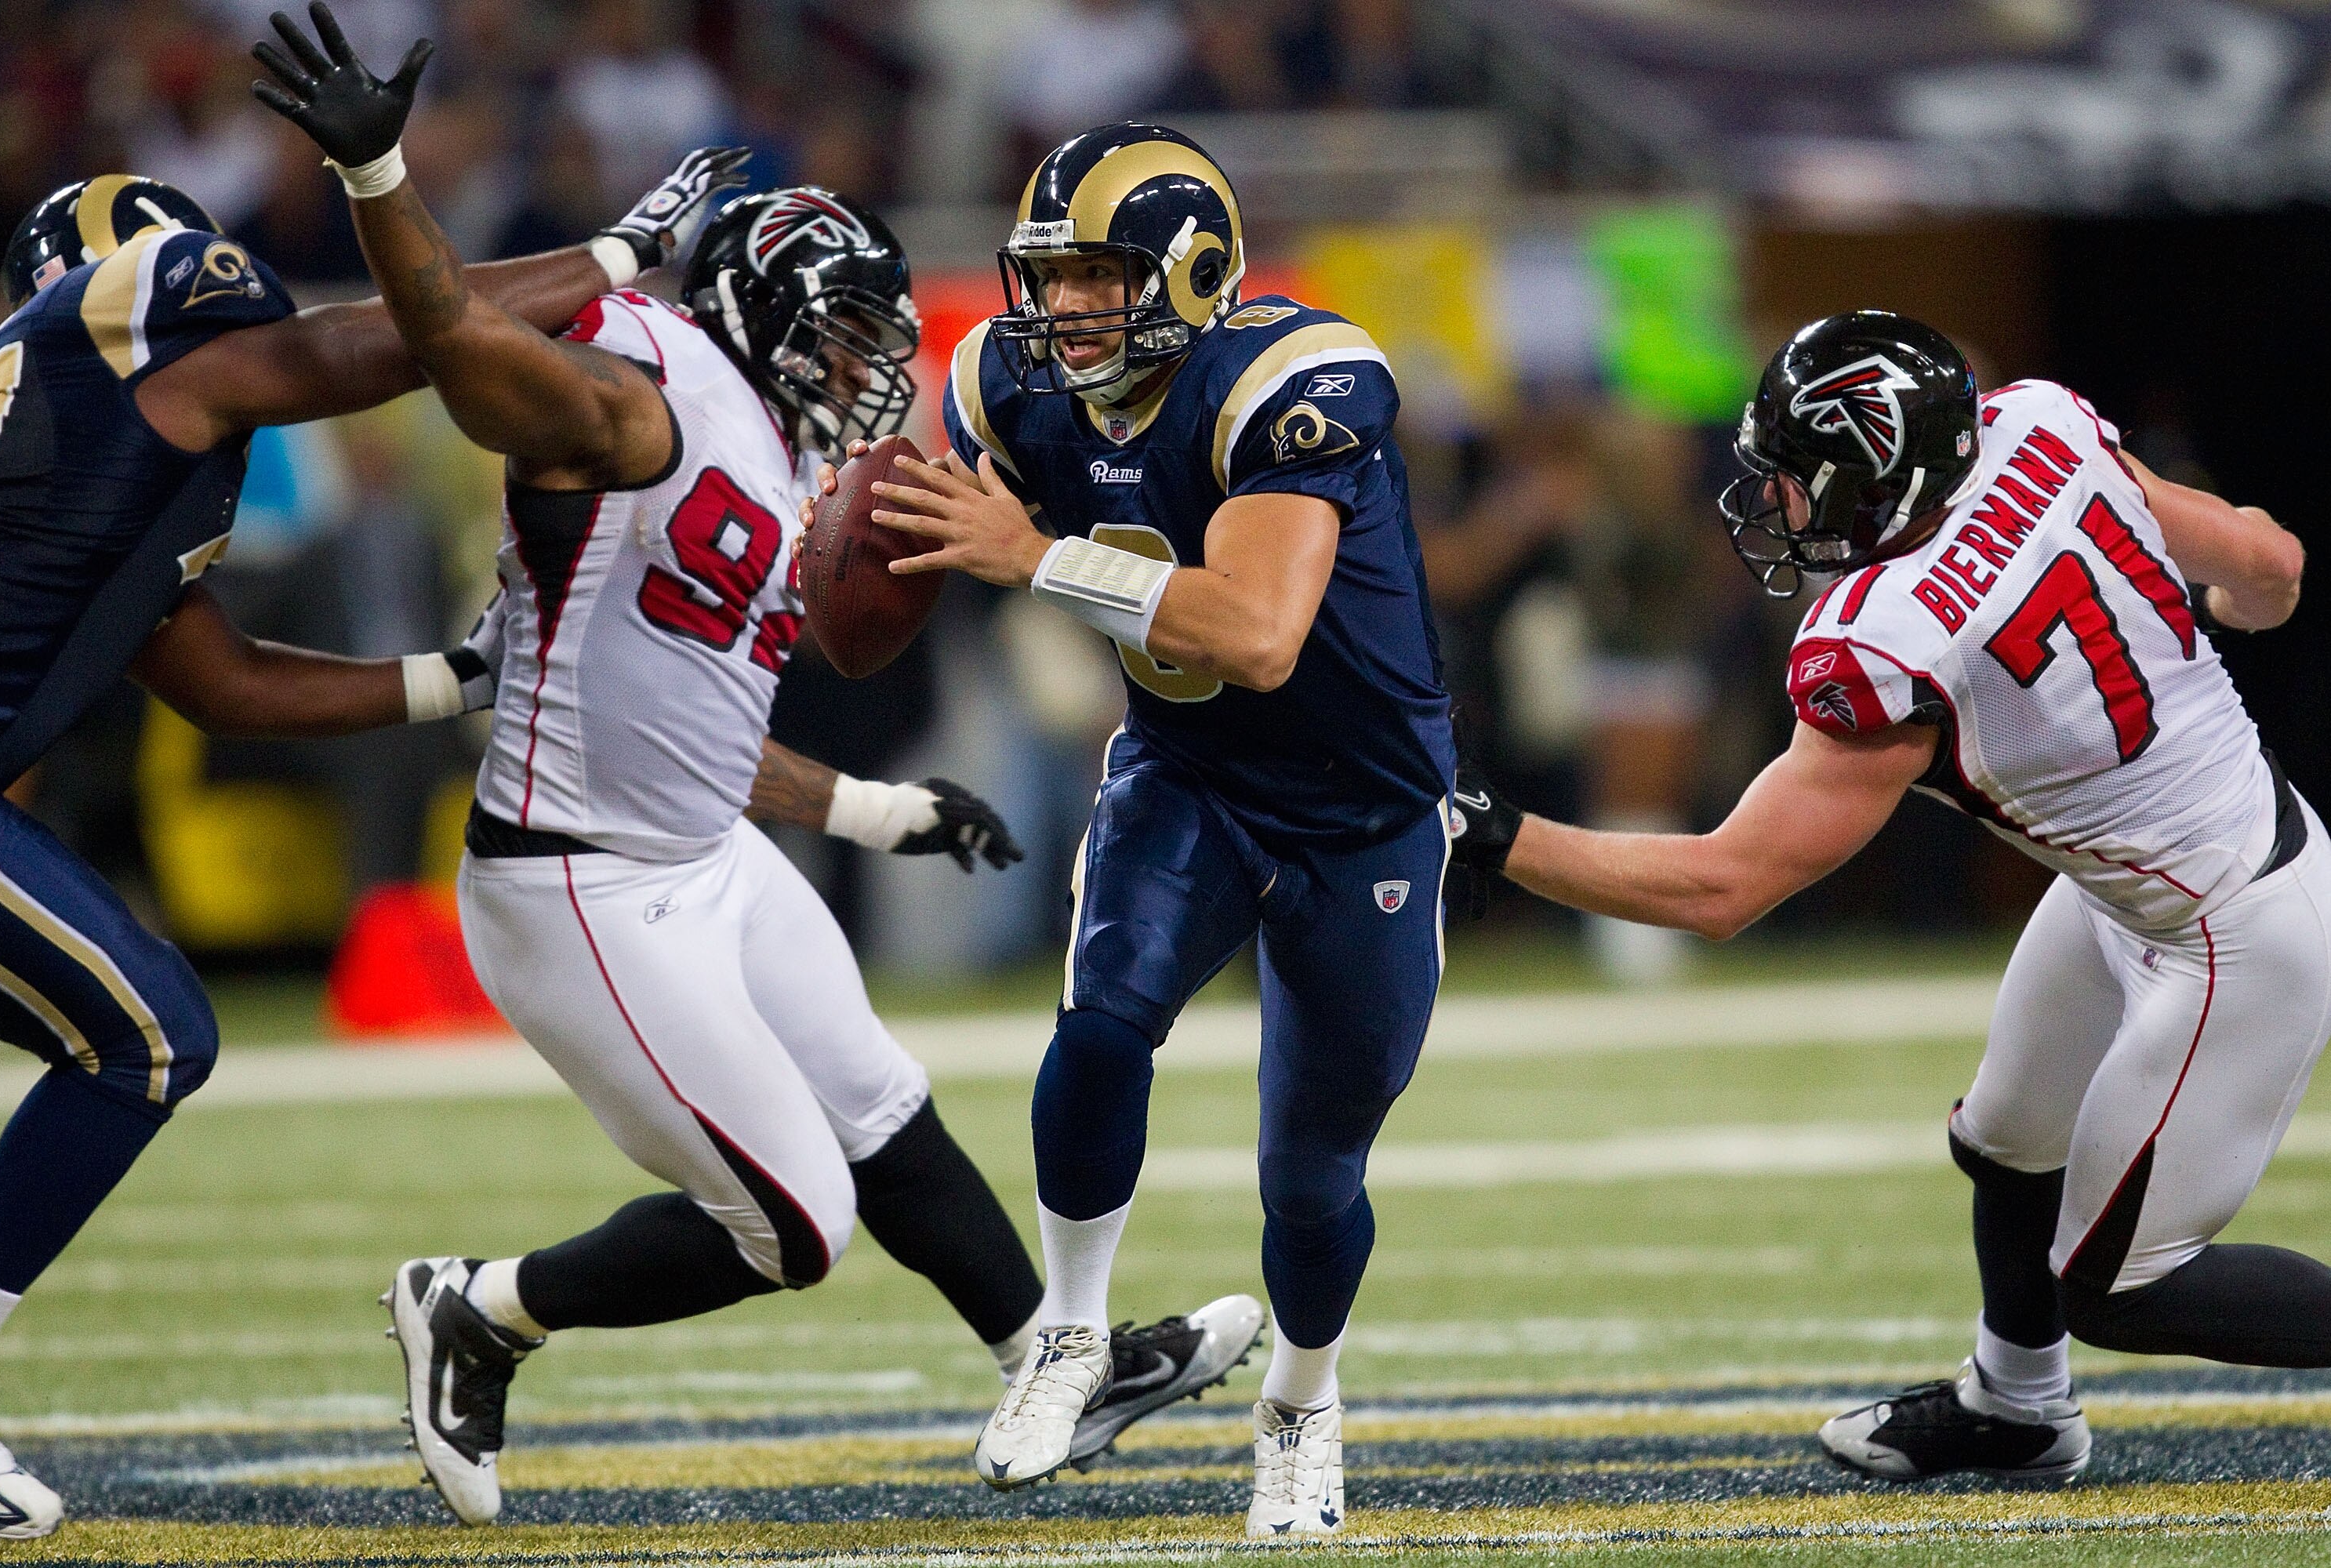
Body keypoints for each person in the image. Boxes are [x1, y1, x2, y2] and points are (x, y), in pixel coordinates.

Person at [246, 12, 1261, 1529]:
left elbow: (700, 725)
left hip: (698, 856)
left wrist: (866, 807)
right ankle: (479, 1306)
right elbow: (451, 340)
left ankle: (1065, 1360)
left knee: (885, 1110)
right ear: (759, 312)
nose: (865, 365)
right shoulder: (640, 401)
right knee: (794, 1220)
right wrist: (382, 173)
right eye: (844, 331)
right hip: (576, 884)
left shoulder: (774, 450)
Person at [0, 87, 750, 1534]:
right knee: (144, 1038)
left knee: (132, 1036)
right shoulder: (146, 307)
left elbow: (222, 682)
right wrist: (617, 261)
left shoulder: (97, 457)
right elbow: (388, 339)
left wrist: (458, 679)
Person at [1454, 311, 2319, 1483]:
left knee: (2119, 1284)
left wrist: (1485, 834)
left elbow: (1723, 886)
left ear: (1881, 476)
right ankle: (2017, 1408)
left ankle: (2035, 1385)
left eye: (1797, 480)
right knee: (2008, 1144)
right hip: (2149, 874)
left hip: (2230, 927)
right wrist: (2242, 611)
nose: (1778, 505)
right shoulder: (2040, 426)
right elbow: (2265, 563)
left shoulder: (1892, 638)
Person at [810, 121, 1455, 1537]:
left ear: (1196, 266)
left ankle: (1300, 1399)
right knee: (1101, 1026)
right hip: (1188, 771)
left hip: (1365, 811)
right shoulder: (1006, 385)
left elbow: (1266, 637)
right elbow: (923, 528)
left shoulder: (1291, 385)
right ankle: (1072, 1334)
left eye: (1100, 276)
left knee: (1312, 1174)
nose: (1065, 309)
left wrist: (1034, 555)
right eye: (1052, 277)